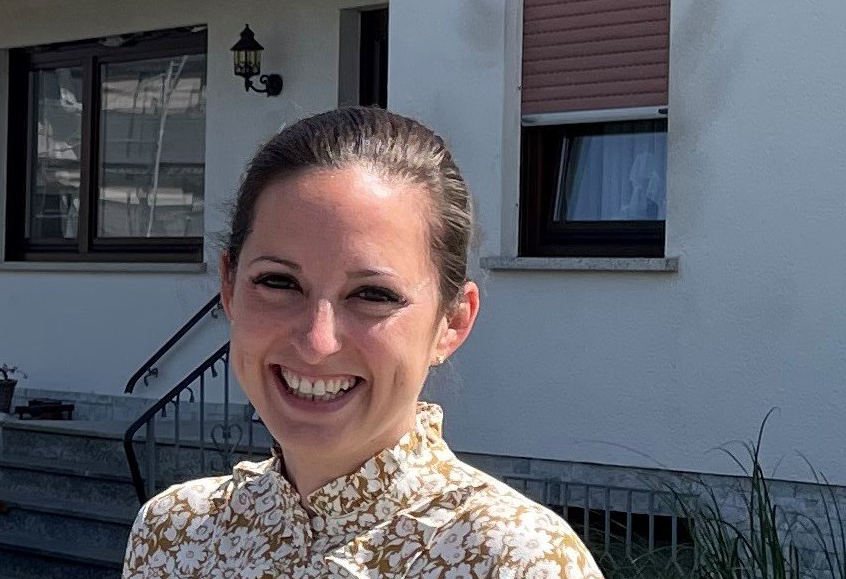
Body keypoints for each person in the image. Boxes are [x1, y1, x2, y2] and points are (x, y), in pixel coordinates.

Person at [123, 108, 603, 577]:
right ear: (229, 289)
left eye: (373, 295)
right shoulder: (175, 532)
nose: (317, 341)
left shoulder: (514, 559)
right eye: (278, 282)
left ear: (451, 323)